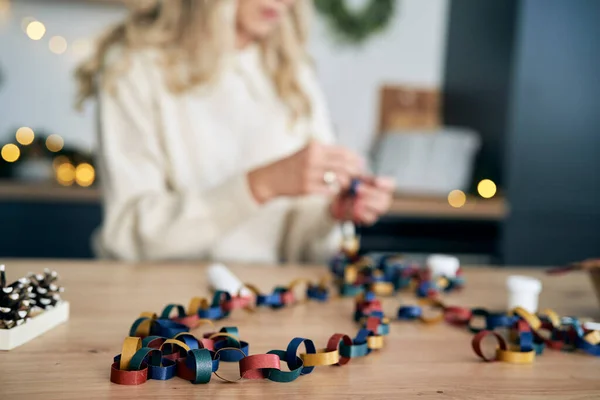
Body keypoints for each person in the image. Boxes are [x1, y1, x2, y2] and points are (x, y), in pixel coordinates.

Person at [76, 0, 394, 264]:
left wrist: (330, 214)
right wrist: (259, 186)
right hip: (163, 318)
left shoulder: (294, 75)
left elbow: (298, 245)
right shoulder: (135, 70)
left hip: (269, 306)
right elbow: (127, 236)